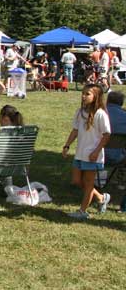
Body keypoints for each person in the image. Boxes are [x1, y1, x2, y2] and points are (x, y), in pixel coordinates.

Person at [62, 84, 111, 220]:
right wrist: (67, 146)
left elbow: (106, 135)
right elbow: (75, 130)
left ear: (96, 96)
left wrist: (96, 151)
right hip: (80, 153)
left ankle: (83, 211)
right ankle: (101, 197)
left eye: (87, 94)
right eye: (83, 93)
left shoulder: (100, 114)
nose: (83, 96)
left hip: (93, 156)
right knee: (76, 181)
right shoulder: (80, 112)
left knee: (88, 184)